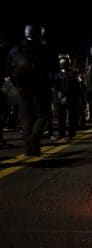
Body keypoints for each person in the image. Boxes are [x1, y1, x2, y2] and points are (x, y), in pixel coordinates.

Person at [6, 25, 50, 156]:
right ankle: (34, 139)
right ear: (39, 34)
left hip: (21, 87)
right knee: (42, 115)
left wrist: (17, 85)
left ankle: (30, 149)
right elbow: (50, 70)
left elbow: (8, 70)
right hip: (39, 86)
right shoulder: (42, 49)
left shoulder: (15, 49)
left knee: (26, 118)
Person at [53, 54, 80, 140]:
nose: (62, 63)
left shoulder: (73, 74)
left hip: (71, 98)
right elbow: (55, 86)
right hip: (60, 99)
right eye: (61, 62)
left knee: (72, 117)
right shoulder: (57, 75)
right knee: (61, 118)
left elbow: (75, 86)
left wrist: (67, 96)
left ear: (68, 63)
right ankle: (62, 134)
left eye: (64, 62)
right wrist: (59, 95)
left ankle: (71, 134)